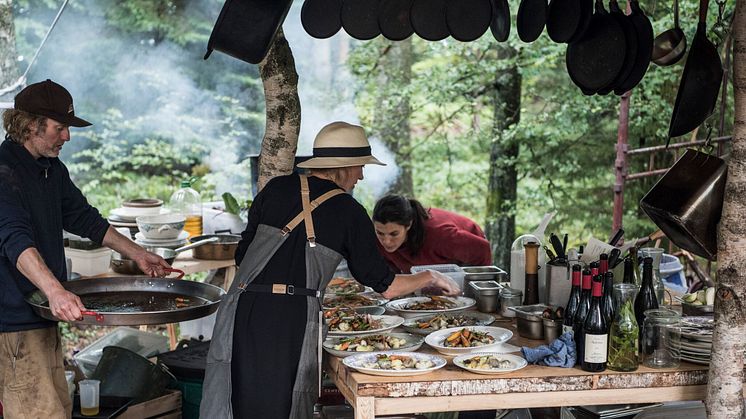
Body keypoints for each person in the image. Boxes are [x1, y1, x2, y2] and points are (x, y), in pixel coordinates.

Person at [200, 121, 460, 419]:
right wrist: (429, 276)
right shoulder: (349, 211)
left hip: (239, 308)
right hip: (290, 320)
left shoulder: (275, 188)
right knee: (282, 405)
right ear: (344, 167)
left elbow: (243, 255)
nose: (361, 175)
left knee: (233, 398)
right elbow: (385, 285)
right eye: (360, 166)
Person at [0, 79, 171, 419]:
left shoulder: (51, 170)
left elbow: (85, 219)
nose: (67, 137)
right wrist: (56, 292)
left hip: (40, 317)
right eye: (60, 128)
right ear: (31, 125)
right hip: (13, 323)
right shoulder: (4, 172)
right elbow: (15, 240)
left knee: (60, 409)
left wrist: (136, 252)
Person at [372, 194, 492, 274]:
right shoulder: (376, 239)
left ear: (408, 225)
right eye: (380, 233)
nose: (386, 241)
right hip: (427, 265)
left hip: (466, 254)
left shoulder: (440, 235)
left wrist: (475, 285)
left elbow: (482, 250)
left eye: (394, 234)